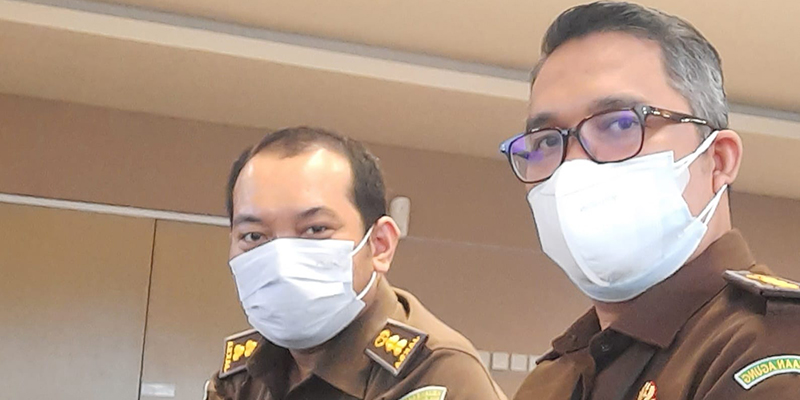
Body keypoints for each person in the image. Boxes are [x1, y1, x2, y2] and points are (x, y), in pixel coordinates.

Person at [498, 2, 800, 399]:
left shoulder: (769, 345)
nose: (572, 166)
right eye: (545, 142)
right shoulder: (553, 378)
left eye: (620, 123)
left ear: (718, 160)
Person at [206, 126, 506, 400]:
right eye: (254, 235)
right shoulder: (243, 376)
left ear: (380, 245)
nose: (281, 262)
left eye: (315, 229)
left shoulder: (435, 376)